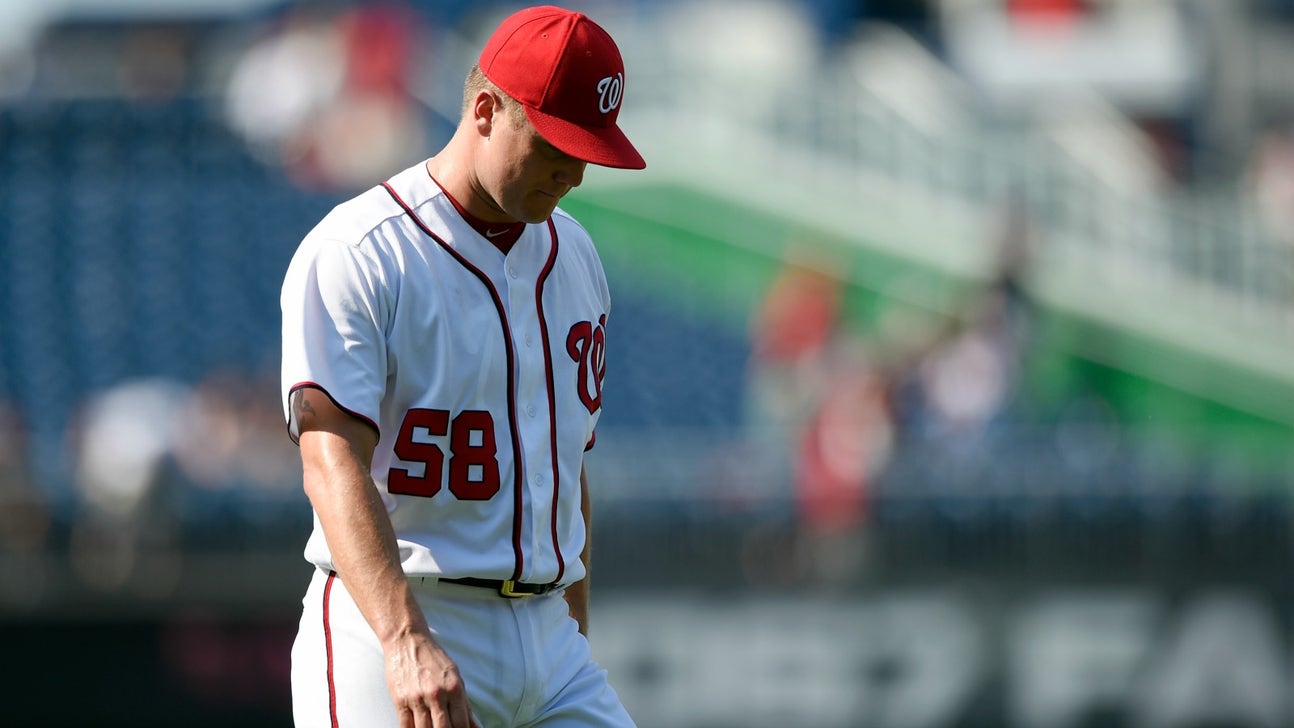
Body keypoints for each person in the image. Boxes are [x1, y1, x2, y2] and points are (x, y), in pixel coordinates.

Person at [279, 6, 645, 727]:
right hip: (399, 616)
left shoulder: (575, 258)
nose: (572, 173)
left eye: (586, 151)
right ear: (484, 109)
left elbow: (567, 473)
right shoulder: (362, 250)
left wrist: (569, 629)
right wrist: (403, 638)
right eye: (553, 146)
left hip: (547, 634)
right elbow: (329, 460)